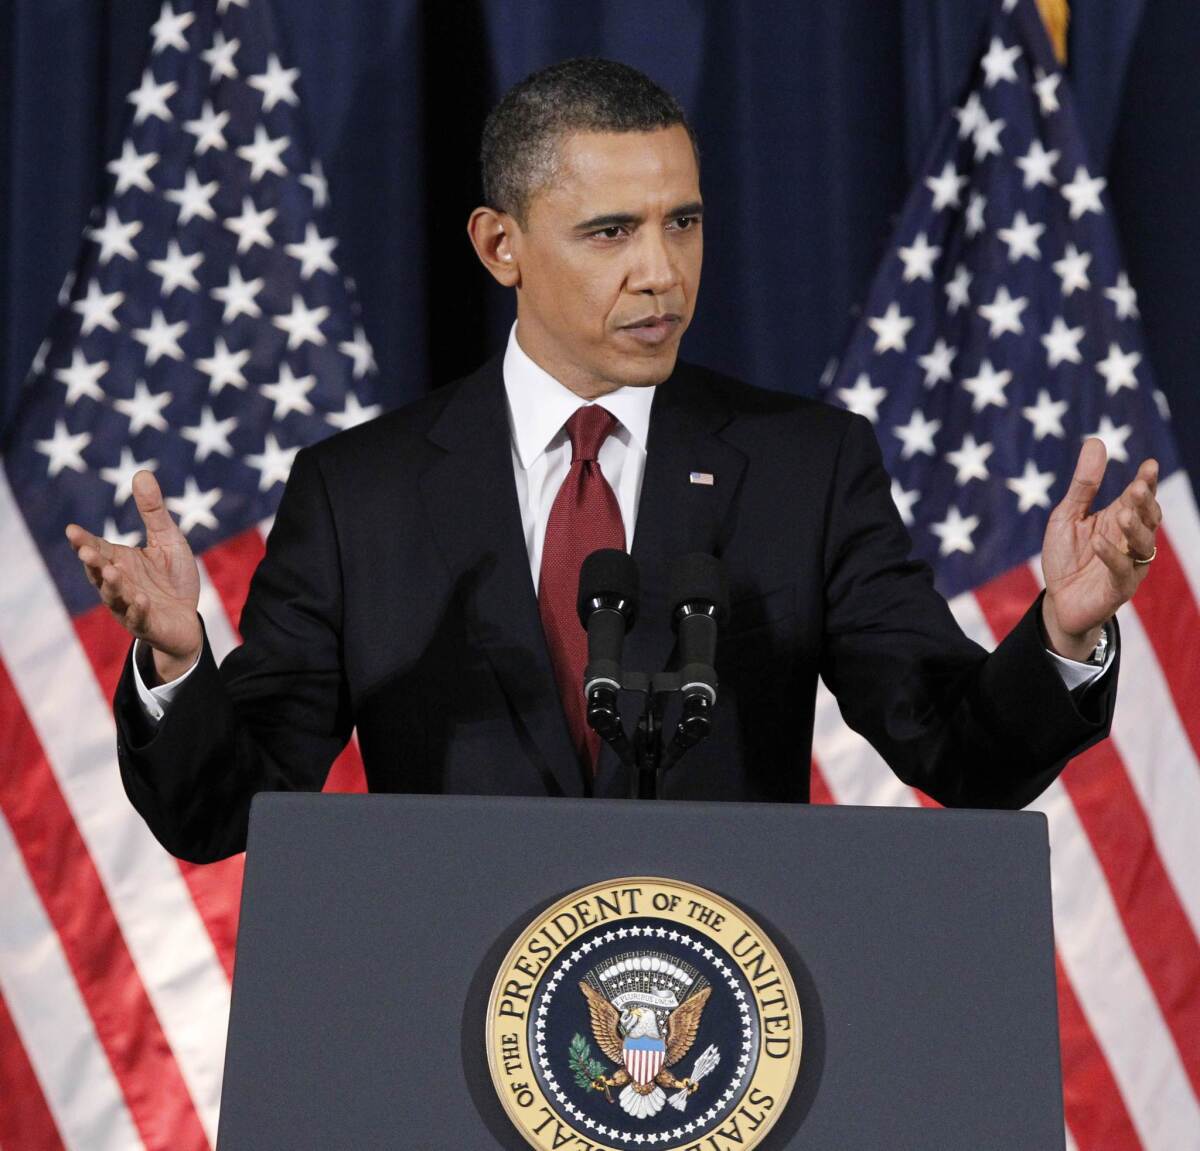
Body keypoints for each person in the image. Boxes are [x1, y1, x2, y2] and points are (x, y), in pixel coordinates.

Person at [66, 59, 1161, 864]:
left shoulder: (805, 467)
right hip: (456, 1041)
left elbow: (965, 756)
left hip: (732, 1044)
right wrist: (177, 668)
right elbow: (223, 810)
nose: (662, 273)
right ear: (502, 246)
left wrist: (1064, 635)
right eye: (610, 232)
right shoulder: (361, 494)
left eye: (681, 223)